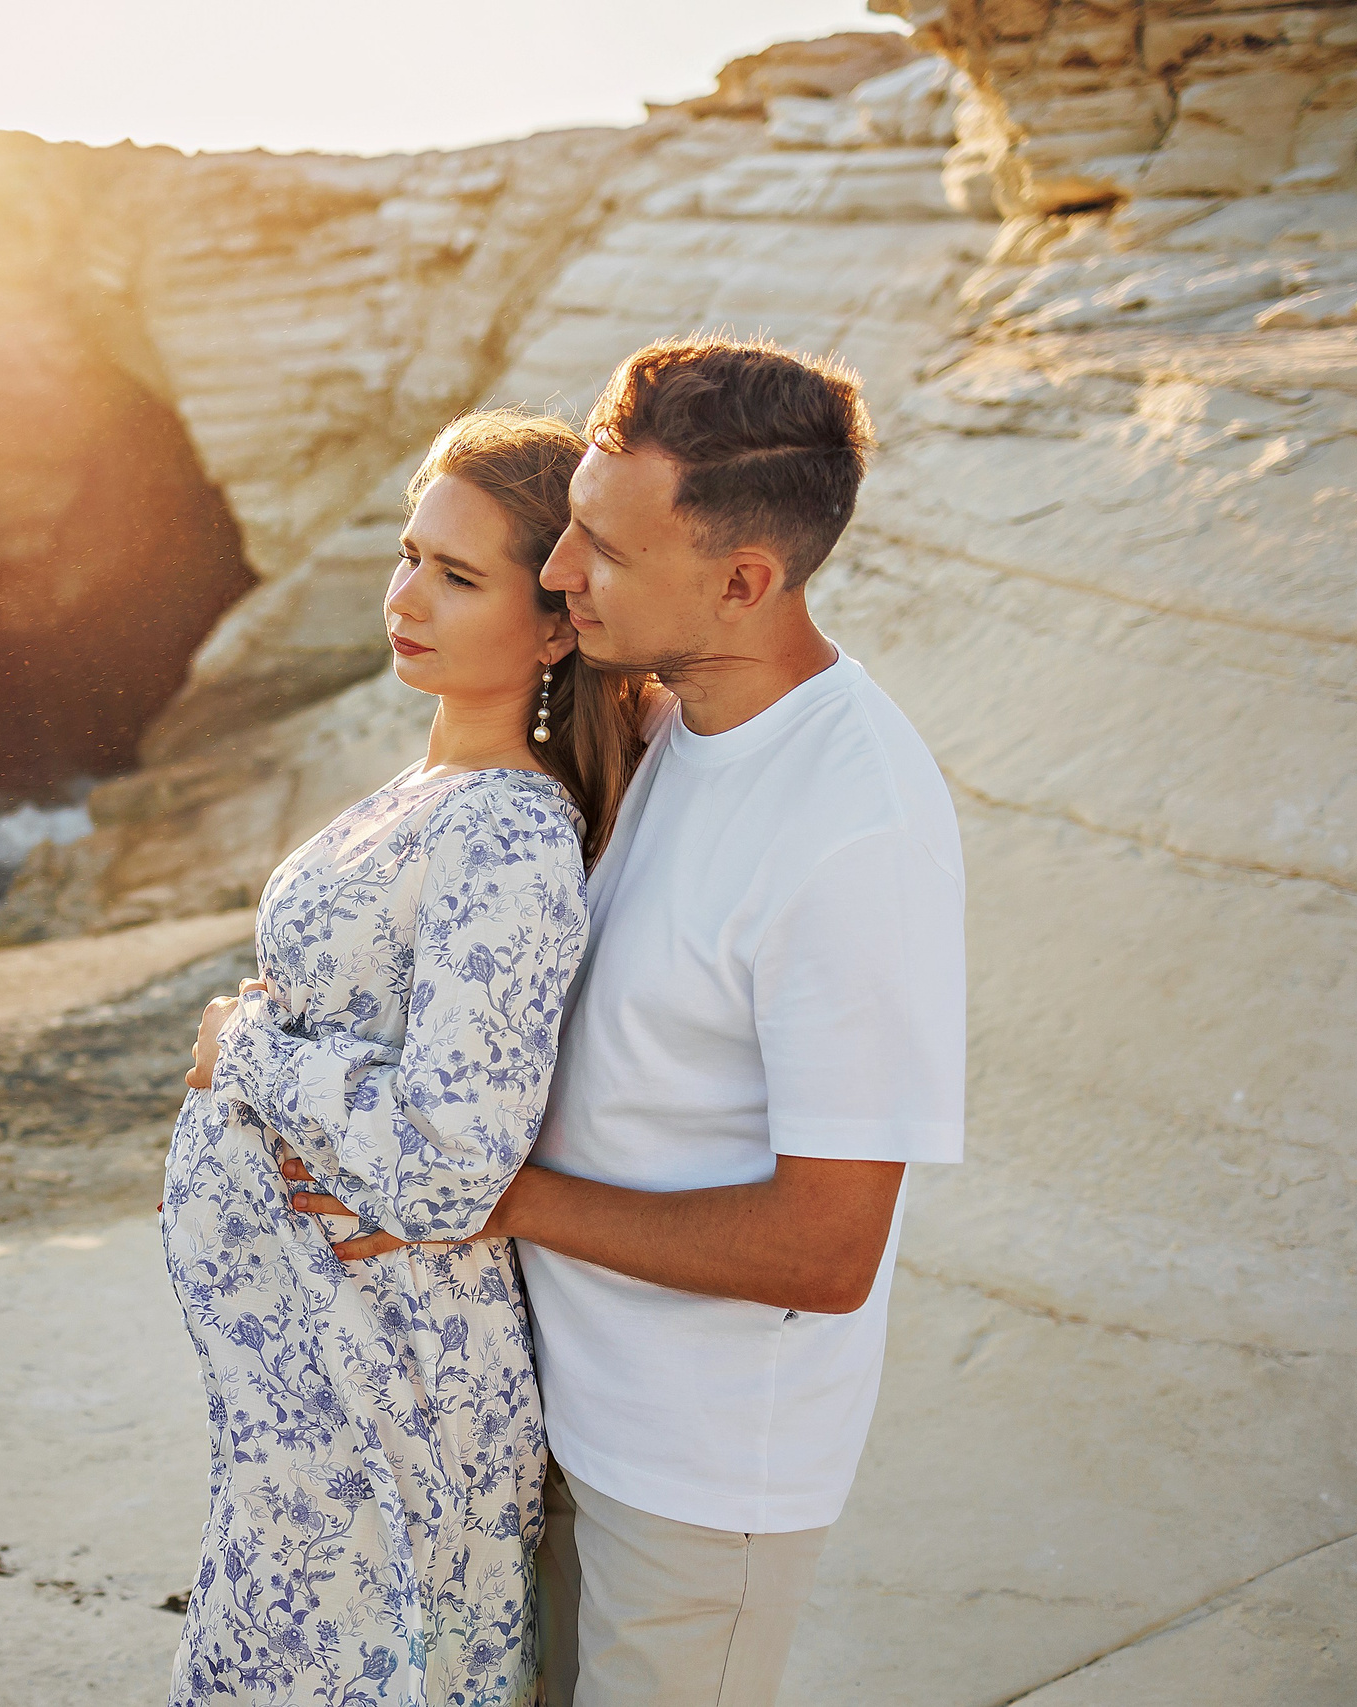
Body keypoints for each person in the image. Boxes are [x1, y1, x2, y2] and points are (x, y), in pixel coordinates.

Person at [287, 337, 966, 1707]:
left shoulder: (852, 833)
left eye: (598, 545)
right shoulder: (668, 719)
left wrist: (504, 1202)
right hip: (550, 1403)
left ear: (744, 581)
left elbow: (827, 1250)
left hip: (698, 1471)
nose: (556, 573)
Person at [164, 409, 654, 1706]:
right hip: (319, 1395)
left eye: (457, 574)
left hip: (392, 1402)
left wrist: (252, 1043)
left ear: (557, 621)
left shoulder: (506, 833)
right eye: (405, 555)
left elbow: (443, 1169)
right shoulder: (434, 786)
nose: (405, 597)